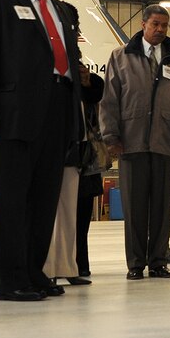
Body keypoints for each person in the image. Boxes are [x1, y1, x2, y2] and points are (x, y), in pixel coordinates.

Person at [0, 0, 84, 302]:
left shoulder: (63, 10)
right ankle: (12, 280)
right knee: (12, 200)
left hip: (57, 111)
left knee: (44, 200)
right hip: (13, 116)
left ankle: (35, 272)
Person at [100, 5, 170, 280]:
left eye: (164, 25)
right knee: (134, 208)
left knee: (161, 207)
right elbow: (109, 102)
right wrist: (111, 137)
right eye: (155, 24)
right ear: (143, 24)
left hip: (166, 142)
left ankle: (158, 261)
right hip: (131, 144)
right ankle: (135, 264)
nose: (160, 30)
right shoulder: (120, 58)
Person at [42, 62, 104, 287]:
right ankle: (47, 267)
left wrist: (86, 81)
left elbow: (97, 91)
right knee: (53, 215)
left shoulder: (83, 78)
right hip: (58, 148)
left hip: (82, 153)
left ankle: (74, 264)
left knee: (77, 214)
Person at [73, 63, 106, 283]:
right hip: (70, 155)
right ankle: (68, 262)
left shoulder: (94, 87)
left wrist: (85, 82)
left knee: (83, 218)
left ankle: (81, 263)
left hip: (87, 158)